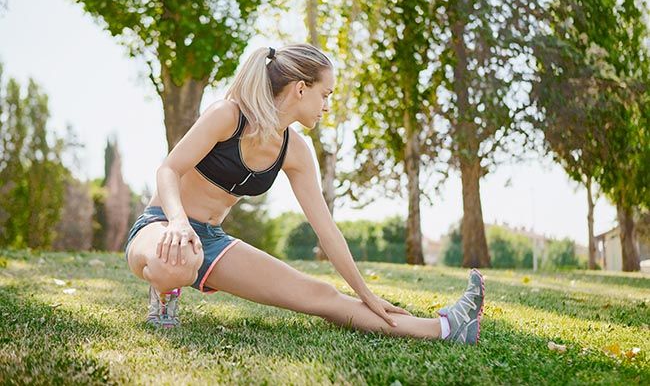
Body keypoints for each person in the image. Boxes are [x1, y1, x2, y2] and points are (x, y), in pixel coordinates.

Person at [123, 43, 485, 344]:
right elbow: (168, 169)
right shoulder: (228, 116)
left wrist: (366, 293)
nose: (327, 106)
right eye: (324, 95)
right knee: (179, 260)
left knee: (322, 297)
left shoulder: (294, 150)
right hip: (162, 226)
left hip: (212, 243)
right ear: (300, 88)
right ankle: (163, 297)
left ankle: (447, 328)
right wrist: (178, 221)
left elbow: (326, 230)